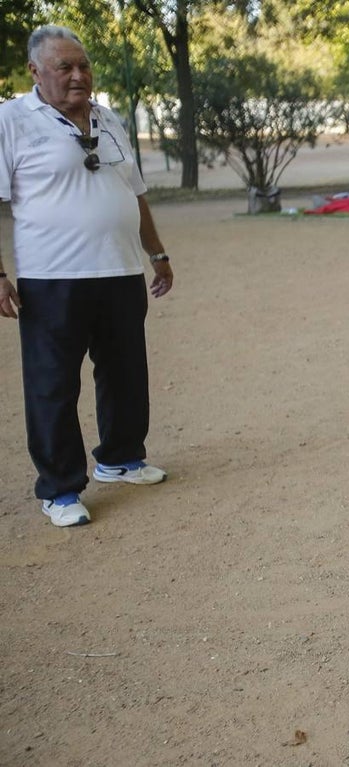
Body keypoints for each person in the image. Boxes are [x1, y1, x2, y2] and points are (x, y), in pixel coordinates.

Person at [0, 25, 173, 528]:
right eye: (64, 67)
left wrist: (156, 254)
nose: (79, 75)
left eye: (84, 65)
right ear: (35, 71)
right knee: (52, 384)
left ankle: (120, 458)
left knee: (124, 373)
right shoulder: (12, 119)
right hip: (52, 276)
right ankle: (59, 488)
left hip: (118, 269)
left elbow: (135, 193)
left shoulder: (109, 118)